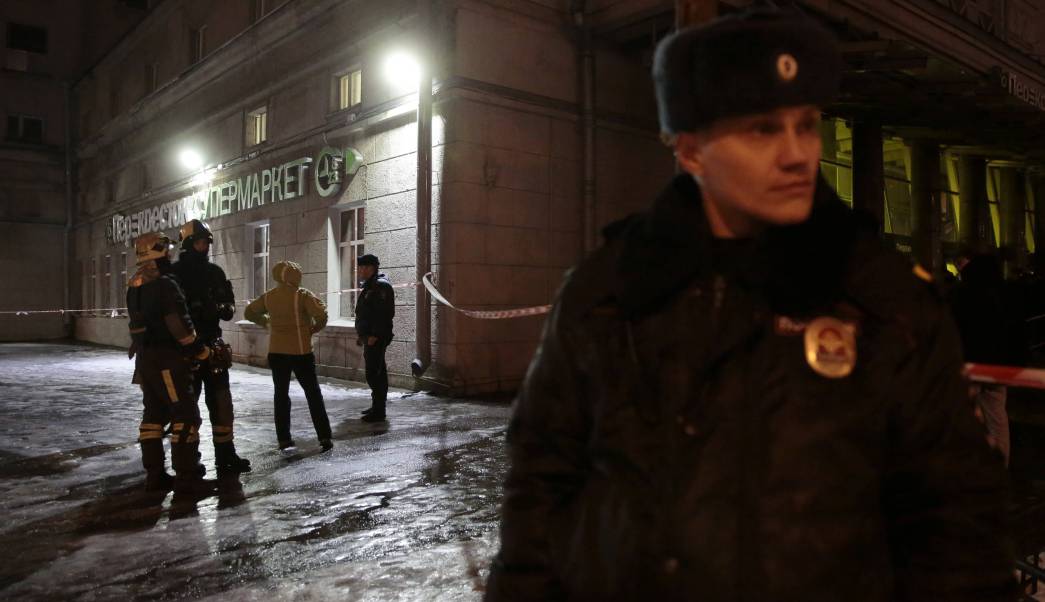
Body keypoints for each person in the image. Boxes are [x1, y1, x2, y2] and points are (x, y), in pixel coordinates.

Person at [486, 7, 1014, 601]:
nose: (798, 154)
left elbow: (957, 527)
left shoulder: (884, 299)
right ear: (690, 151)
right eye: (763, 129)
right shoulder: (609, 290)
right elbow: (541, 485)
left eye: (807, 125)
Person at [127, 232, 215, 495]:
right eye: (166, 251)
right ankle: (187, 478)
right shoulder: (165, 284)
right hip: (168, 359)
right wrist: (199, 350)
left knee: (153, 417)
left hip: (145, 360)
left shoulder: (135, 284)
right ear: (159, 253)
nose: (169, 255)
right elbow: (179, 324)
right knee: (185, 415)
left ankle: (154, 475)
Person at [170, 219, 251, 475]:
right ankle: (188, 462)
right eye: (200, 242)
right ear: (188, 243)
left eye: (206, 242)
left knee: (222, 404)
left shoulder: (215, 272)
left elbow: (228, 307)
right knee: (188, 408)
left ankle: (226, 455)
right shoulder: (174, 275)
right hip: (186, 350)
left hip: (213, 348)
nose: (204, 246)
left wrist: (218, 307)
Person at [244, 260, 333, 451]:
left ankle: (283, 439)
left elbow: (249, 312)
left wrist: (265, 321)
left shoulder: (269, 297)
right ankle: (324, 436)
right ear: (295, 276)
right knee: (313, 394)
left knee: (281, 395)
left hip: (276, 352)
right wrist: (313, 329)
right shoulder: (302, 295)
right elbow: (322, 315)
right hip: (301, 352)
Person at [949, 252, 1021, 465]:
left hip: (970, 364)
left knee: (963, 415)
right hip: (997, 366)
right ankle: (999, 464)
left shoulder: (963, 295)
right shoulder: (1005, 295)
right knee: (996, 415)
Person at [354, 254, 395, 423]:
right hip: (369, 337)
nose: (359, 271)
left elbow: (383, 314)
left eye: (362, 267)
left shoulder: (380, 286)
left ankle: (379, 410)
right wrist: (362, 335)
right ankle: (377, 406)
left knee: (374, 373)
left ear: (370, 268)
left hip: (376, 338)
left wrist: (374, 335)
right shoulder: (371, 285)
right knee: (377, 372)